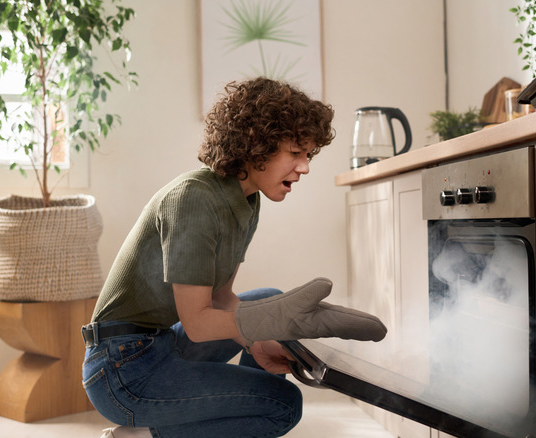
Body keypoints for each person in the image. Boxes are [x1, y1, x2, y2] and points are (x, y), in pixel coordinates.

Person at [81, 77, 387, 438]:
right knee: (282, 405)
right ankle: (144, 435)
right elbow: (197, 324)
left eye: (308, 155)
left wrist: (257, 343)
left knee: (267, 298)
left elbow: (221, 298)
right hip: (121, 370)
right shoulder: (194, 199)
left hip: (159, 346)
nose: (304, 167)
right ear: (256, 146)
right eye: (295, 153)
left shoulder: (247, 201)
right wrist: (274, 321)